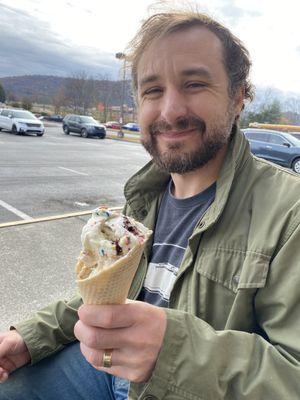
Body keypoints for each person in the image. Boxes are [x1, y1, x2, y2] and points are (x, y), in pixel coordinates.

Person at [1, 7, 300, 400]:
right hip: (107, 371)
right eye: (153, 90)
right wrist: (29, 337)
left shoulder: (289, 213)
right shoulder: (143, 200)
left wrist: (172, 351)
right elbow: (109, 300)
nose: (170, 110)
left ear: (239, 96)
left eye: (194, 84)